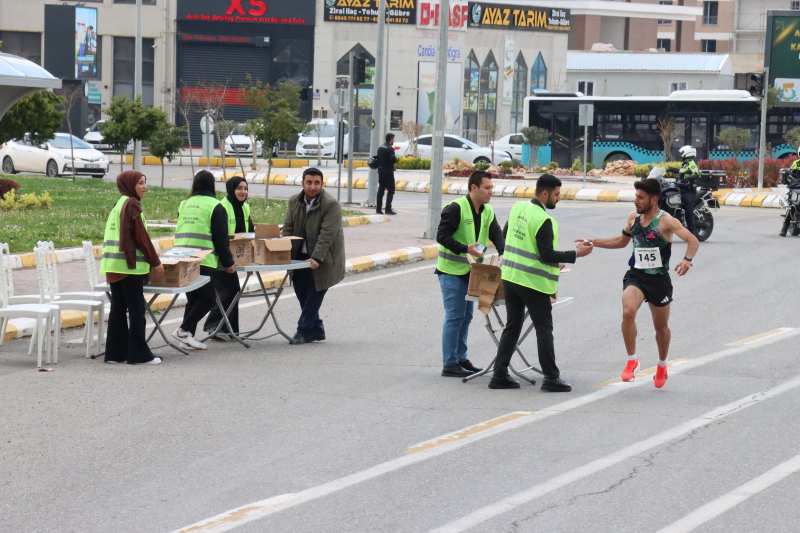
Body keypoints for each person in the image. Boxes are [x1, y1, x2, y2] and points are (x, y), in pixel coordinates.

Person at [581, 178, 699, 388]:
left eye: (640, 198)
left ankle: (662, 365)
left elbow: (693, 240)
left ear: (653, 200)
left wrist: (687, 260)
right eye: (635, 196)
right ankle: (631, 360)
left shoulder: (667, 221)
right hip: (636, 275)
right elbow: (620, 242)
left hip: (659, 280)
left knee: (660, 327)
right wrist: (593, 242)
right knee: (628, 312)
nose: (635, 201)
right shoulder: (633, 218)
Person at [489, 174, 593, 391]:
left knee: (513, 326)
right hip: (532, 282)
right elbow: (546, 255)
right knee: (544, 329)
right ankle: (551, 378)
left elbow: (507, 234)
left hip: (510, 278)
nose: (559, 199)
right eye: (556, 195)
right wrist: (576, 253)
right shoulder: (544, 220)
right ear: (544, 193)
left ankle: (499, 374)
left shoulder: (518, 207)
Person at [436, 170, 505, 378]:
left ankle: (461, 358)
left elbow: (496, 234)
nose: (491, 191)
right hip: (451, 271)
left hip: (472, 273)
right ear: (474, 188)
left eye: (492, 187)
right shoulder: (456, 208)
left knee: (465, 317)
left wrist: (503, 253)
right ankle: (450, 363)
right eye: (487, 187)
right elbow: (441, 236)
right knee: (455, 317)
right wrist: (466, 248)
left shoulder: (487, 211)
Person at [100, 170, 164, 365]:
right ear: (130, 185)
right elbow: (141, 237)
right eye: (140, 183)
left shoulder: (119, 203)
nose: (144, 187)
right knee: (136, 310)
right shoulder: (132, 204)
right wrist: (155, 262)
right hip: (129, 268)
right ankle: (139, 355)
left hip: (113, 266)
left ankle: (115, 354)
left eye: (145, 182)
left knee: (118, 310)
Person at [172, 170, 236, 350]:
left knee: (193, 299)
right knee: (208, 299)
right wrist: (228, 262)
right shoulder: (215, 205)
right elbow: (221, 239)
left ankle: (187, 338)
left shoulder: (185, 203)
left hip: (182, 257)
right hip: (203, 258)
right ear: (212, 186)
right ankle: (183, 330)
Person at [281, 168, 345, 344]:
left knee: (314, 295)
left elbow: (327, 235)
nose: (313, 187)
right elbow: (287, 228)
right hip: (299, 258)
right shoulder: (295, 201)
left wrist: (316, 258)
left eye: (317, 183)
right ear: (303, 183)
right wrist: (281, 251)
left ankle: (302, 331)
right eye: (309, 182)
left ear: (322, 184)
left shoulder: (331, 204)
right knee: (302, 293)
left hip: (323, 259)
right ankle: (316, 329)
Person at [203, 176, 254, 340]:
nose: (243, 192)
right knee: (229, 291)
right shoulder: (222, 207)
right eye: (239, 188)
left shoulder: (245, 207)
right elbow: (220, 236)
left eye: (245, 188)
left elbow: (250, 231)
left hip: (235, 256)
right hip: (221, 256)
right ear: (231, 189)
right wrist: (227, 260)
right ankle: (214, 326)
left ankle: (226, 329)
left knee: (232, 291)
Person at [677, 145, 699, 235]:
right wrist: (669, 169)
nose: (681, 155)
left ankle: (692, 232)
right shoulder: (685, 164)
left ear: (687, 153)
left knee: (688, 210)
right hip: (682, 188)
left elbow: (696, 174)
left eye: (682, 153)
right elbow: (680, 172)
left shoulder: (691, 163)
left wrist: (689, 179)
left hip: (689, 191)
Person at [376, 133, 398, 215]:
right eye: (393, 139)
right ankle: (388, 209)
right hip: (388, 172)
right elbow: (393, 160)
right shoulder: (390, 148)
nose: (393, 141)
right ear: (391, 139)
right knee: (391, 190)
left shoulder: (380, 147)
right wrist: (395, 158)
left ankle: (378, 209)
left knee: (381, 189)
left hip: (380, 171)